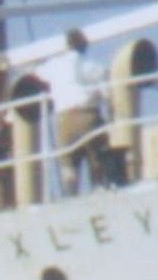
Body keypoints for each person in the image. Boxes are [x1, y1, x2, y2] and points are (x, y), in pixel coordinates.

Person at [46, 26, 110, 194]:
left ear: (67, 45)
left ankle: (71, 197)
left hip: (65, 120)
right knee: (97, 163)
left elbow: (36, 78)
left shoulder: (53, 66)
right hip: (90, 117)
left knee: (69, 166)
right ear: (84, 46)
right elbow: (107, 93)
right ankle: (99, 193)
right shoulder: (94, 67)